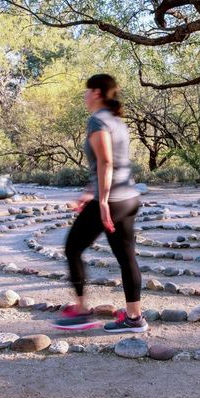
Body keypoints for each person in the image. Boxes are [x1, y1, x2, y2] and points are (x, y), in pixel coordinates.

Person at [52, 74, 147, 333]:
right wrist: (89, 191)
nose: (83, 96)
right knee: (126, 258)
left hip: (111, 200)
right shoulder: (117, 121)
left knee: (73, 248)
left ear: (96, 93)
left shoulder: (97, 121)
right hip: (129, 197)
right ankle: (134, 318)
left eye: (86, 91)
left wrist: (102, 200)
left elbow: (107, 162)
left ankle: (82, 311)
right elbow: (108, 163)